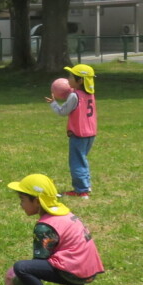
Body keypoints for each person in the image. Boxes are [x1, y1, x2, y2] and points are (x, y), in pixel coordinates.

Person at [7, 173, 104, 285]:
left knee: (22, 268)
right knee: (69, 254)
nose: (21, 204)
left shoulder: (44, 227)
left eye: (23, 199)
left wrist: (20, 282)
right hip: (89, 269)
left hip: (74, 272)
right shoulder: (66, 214)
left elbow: (39, 263)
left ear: (37, 201)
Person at [46, 64, 98, 198]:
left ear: (80, 81)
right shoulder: (90, 94)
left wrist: (53, 103)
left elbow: (63, 112)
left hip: (78, 134)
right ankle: (85, 186)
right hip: (90, 133)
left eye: (70, 76)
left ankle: (81, 191)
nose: (68, 79)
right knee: (82, 159)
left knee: (76, 162)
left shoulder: (74, 96)